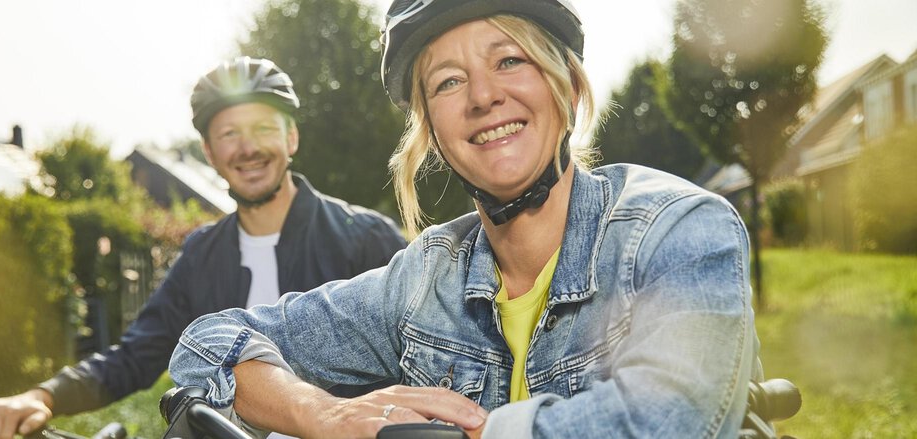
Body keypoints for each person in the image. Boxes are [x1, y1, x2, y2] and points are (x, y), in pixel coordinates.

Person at [169, 0, 763, 438]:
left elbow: (674, 418)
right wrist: (321, 412)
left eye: (509, 59)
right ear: (432, 133)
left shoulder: (679, 230)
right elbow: (208, 340)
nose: (482, 96)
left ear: (570, 90)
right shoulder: (423, 282)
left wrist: (480, 433)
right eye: (449, 81)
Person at [0, 57, 407, 439]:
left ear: (290, 137)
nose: (248, 148)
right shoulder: (201, 254)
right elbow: (136, 354)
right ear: (209, 152)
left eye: (263, 128)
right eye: (229, 134)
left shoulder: (366, 238)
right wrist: (43, 396)